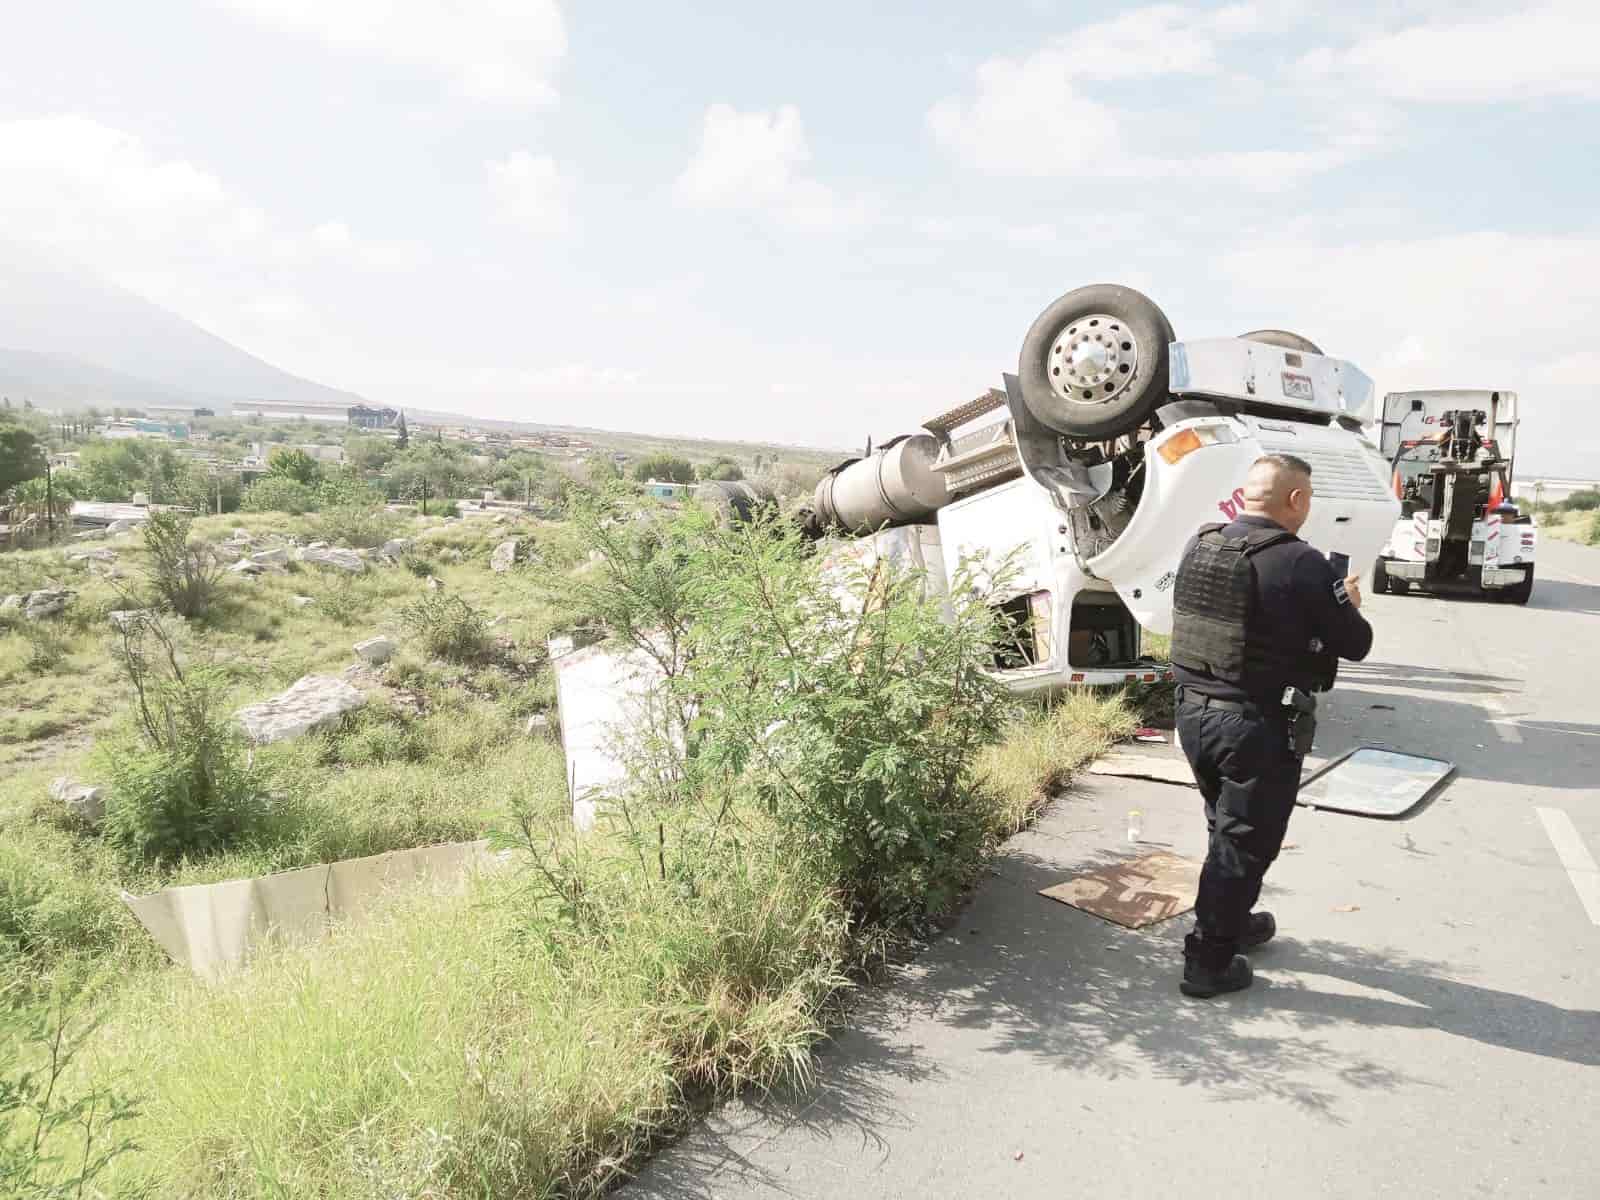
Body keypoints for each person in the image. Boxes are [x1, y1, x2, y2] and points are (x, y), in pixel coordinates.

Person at [1168, 453, 1373, 999]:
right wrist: (1348, 603)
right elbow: (1356, 644)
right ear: (1297, 500)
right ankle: (1208, 961)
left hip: (1192, 714)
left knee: (1226, 823)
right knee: (1245, 841)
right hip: (1252, 726)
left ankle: (1231, 920)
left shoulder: (1203, 543)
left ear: (1247, 494)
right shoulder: (1304, 563)